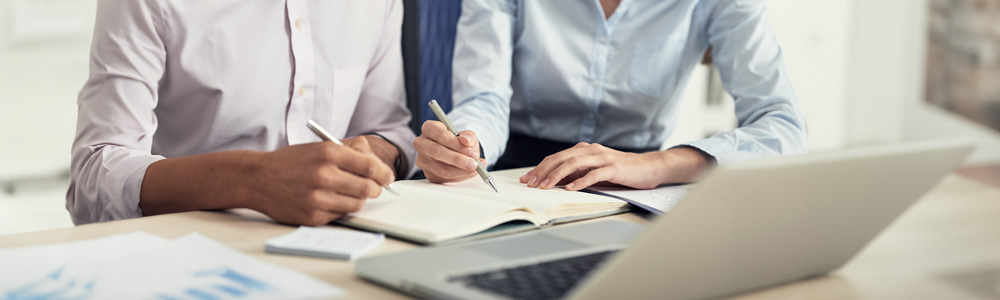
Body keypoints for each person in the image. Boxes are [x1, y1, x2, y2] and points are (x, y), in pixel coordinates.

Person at [67, 0, 415, 226]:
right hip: (191, 251)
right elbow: (93, 177)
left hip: (344, 247)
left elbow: (389, 130)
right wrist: (255, 180)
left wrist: (369, 156)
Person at [414, 0, 808, 191]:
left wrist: (660, 166)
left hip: (642, 183)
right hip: (517, 176)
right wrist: (466, 145)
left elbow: (783, 128)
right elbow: (485, 96)